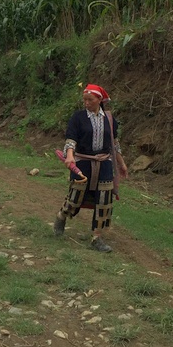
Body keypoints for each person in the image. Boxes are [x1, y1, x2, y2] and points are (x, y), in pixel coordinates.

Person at [53, 84, 128, 253]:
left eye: (90, 100)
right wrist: (70, 155)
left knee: (104, 200)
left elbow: (114, 143)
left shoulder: (109, 119)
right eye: (84, 100)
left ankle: (97, 237)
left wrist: (121, 163)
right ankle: (62, 216)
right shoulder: (78, 118)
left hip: (104, 163)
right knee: (76, 196)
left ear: (99, 100)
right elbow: (71, 139)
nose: (86, 103)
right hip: (83, 162)